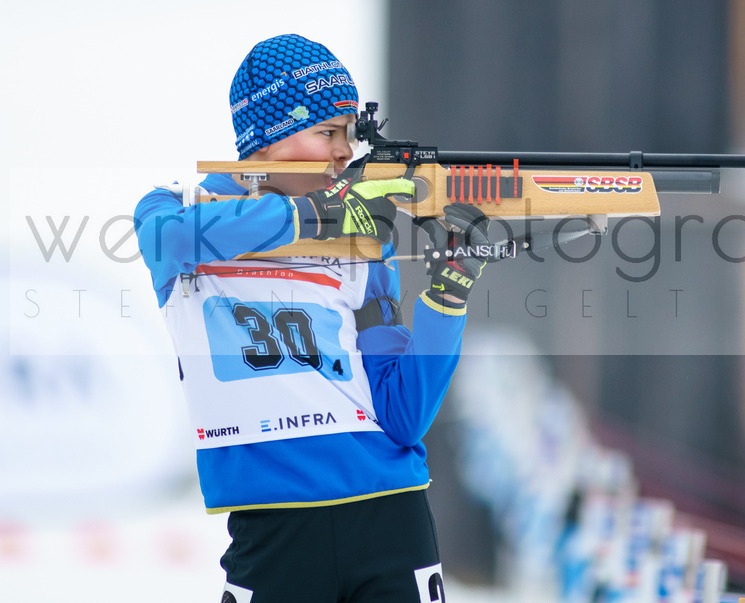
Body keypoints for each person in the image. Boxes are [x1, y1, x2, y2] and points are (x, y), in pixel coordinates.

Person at [134, 33, 488, 603]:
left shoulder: (363, 241)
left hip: (391, 518)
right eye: (328, 132)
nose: (345, 151)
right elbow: (168, 240)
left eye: (350, 134)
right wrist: (316, 214)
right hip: (273, 531)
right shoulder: (180, 206)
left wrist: (448, 298)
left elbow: (402, 418)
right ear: (267, 138)